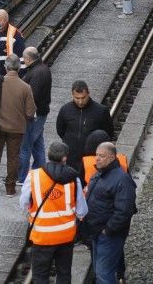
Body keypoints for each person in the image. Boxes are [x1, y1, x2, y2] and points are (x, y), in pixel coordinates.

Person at [21, 142, 87, 284]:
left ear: (49, 156)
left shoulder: (34, 176)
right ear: (65, 158)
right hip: (66, 236)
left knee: (40, 275)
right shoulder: (74, 178)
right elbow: (82, 211)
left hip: (42, 236)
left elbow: (24, 203)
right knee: (64, 273)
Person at [0, 54, 35, 198]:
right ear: (19, 68)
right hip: (17, 129)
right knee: (13, 158)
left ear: (6, 67)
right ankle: (10, 188)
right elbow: (30, 112)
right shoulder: (26, 87)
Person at [84, 142, 138, 284]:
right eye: (97, 155)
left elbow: (125, 211)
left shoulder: (121, 179)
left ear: (112, 157)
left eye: (102, 156)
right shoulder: (100, 174)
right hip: (97, 232)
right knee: (99, 271)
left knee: (103, 273)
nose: (97, 158)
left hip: (109, 234)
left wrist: (108, 230)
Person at [55, 80, 114, 179]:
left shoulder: (101, 111)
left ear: (88, 94)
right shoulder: (65, 110)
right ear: (72, 95)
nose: (80, 101)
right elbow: (60, 130)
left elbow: (108, 133)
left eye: (83, 98)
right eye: (77, 98)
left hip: (92, 159)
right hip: (71, 158)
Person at [18, 46, 51, 184]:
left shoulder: (36, 73)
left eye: (24, 58)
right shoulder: (43, 68)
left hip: (34, 115)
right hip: (41, 113)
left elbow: (33, 95)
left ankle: (21, 177)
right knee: (38, 144)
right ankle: (40, 171)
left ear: (28, 58)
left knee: (25, 147)